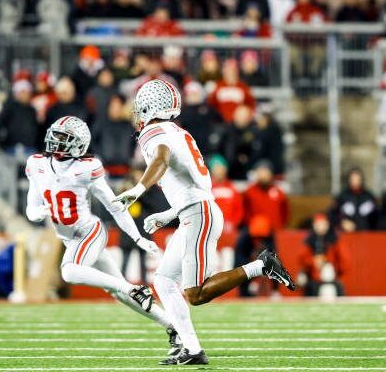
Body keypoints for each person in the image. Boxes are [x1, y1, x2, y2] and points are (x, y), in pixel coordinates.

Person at [113, 79, 295, 365]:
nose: (137, 114)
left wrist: (138, 189)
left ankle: (260, 265)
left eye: (140, 109)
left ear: (150, 108)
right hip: (196, 210)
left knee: (195, 294)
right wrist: (169, 214)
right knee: (162, 280)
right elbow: (197, 186)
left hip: (198, 215)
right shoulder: (178, 132)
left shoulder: (154, 132)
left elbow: (160, 160)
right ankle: (192, 348)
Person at [24, 116, 182, 358]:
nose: (55, 140)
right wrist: (38, 212)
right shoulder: (36, 164)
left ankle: (133, 288)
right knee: (121, 296)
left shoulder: (86, 167)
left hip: (89, 232)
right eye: (55, 134)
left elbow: (115, 207)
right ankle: (173, 327)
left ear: (78, 143)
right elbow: (31, 207)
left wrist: (138, 238)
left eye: (63, 137)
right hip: (70, 239)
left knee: (69, 271)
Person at [297, 213, 350, 297]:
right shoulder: (309, 241)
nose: (320, 227)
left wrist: (329, 264)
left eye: (323, 224)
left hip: (332, 278)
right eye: (318, 224)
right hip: (313, 279)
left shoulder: (335, 240)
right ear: (314, 226)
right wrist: (313, 262)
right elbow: (302, 259)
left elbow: (344, 260)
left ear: (327, 225)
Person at [0, 79, 39, 159]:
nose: (26, 95)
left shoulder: (32, 110)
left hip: (30, 148)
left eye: (27, 92)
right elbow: (0, 126)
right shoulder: (9, 108)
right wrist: (2, 143)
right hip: (11, 148)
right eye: (23, 92)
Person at [208, 59, 255, 123]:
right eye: (227, 70)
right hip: (220, 122)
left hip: (238, 123)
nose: (229, 73)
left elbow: (250, 105)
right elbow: (211, 104)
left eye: (232, 70)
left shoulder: (243, 86)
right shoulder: (218, 85)